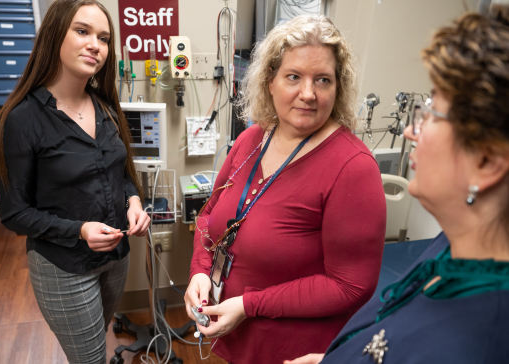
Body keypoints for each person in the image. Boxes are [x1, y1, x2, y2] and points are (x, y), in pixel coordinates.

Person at [286, 5, 509, 364]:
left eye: (431, 115)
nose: (410, 131)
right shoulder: (455, 245)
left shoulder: (476, 341)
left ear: (485, 162)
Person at [184, 15, 386, 364]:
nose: (308, 94)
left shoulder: (352, 167)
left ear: (337, 88)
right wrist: (200, 271)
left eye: (322, 80)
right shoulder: (252, 138)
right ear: (270, 81)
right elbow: (209, 215)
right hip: (232, 337)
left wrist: (250, 305)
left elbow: (350, 285)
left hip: (294, 353)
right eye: (294, 77)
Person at [0, 1, 150, 363]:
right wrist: (79, 230)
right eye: (82, 31)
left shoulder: (106, 107)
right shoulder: (20, 120)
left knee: (97, 342)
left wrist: (134, 203)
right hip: (63, 266)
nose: (96, 44)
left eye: (104, 38)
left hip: (116, 258)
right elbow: (15, 214)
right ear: (54, 36)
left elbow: (121, 173)